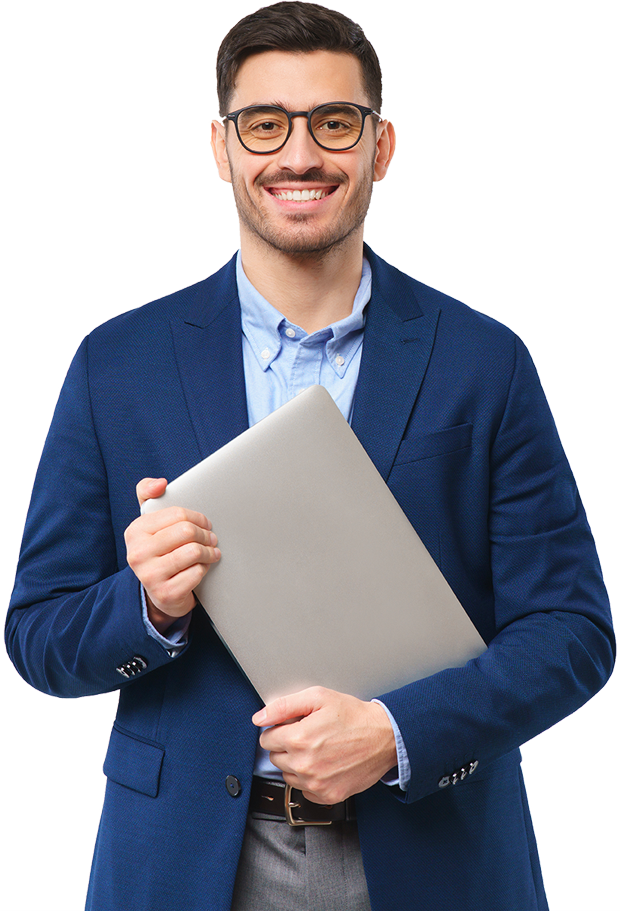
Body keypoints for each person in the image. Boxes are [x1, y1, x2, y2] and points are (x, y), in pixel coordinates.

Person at [6, 4, 614, 910]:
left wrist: (396, 731)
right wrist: (148, 605)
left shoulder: (485, 362)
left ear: (381, 144)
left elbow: (572, 632)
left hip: (434, 854)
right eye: (266, 124)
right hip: (187, 861)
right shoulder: (117, 364)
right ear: (222, 147)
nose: (299, 155)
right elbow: (39, 638)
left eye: (334, 122)